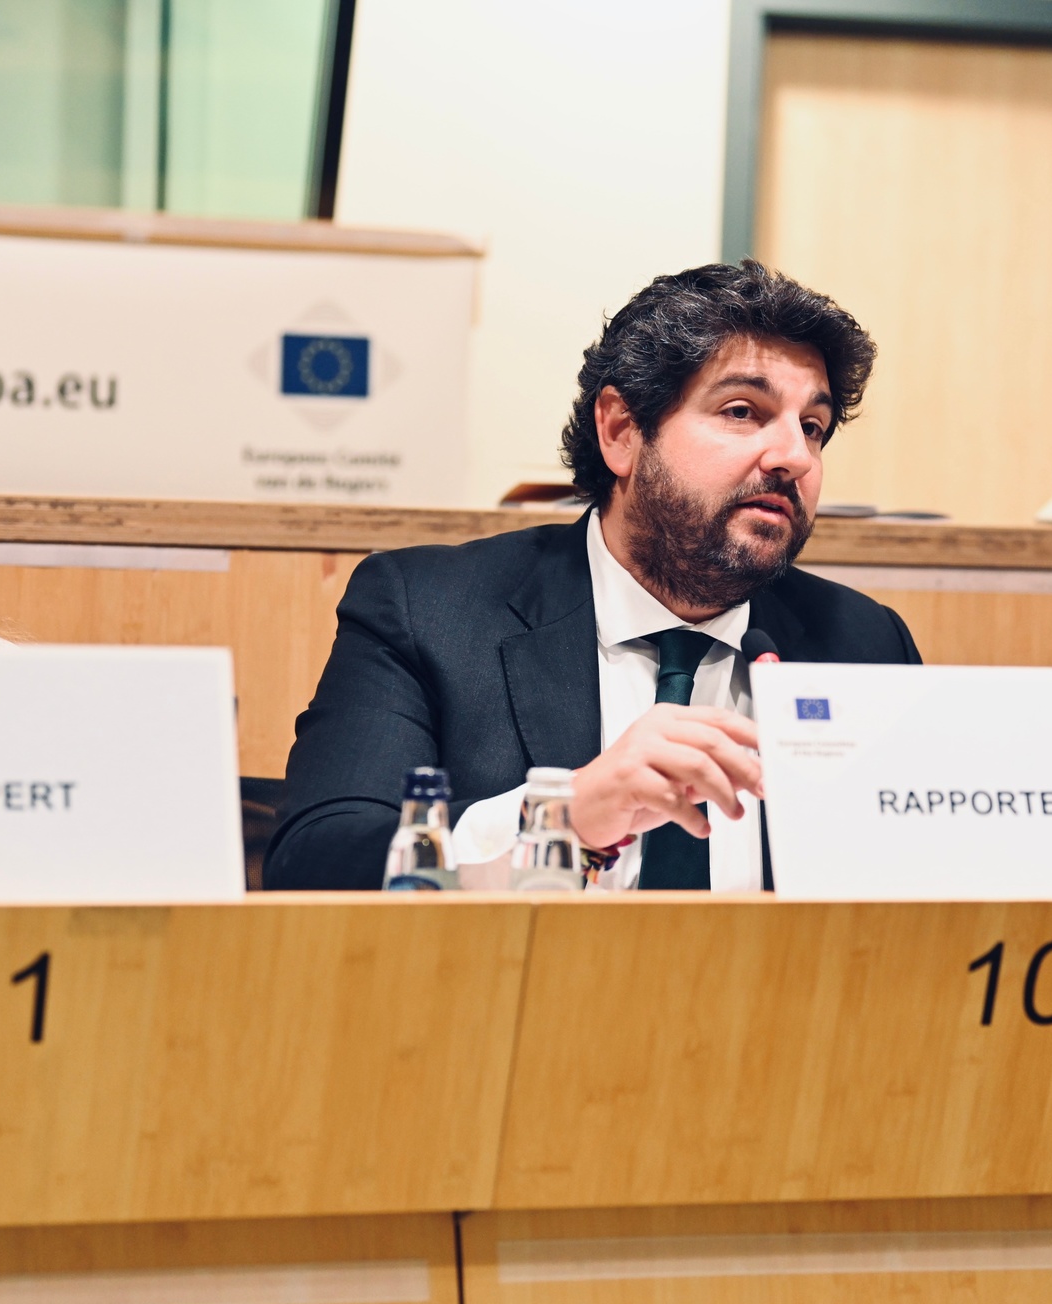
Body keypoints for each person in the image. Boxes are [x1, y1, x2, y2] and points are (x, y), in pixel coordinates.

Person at [266, 261, 921, 891]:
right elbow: (317, 861)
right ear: (621, 430)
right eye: (742, 411)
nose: (794, 456)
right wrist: (564, 815)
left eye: (813, 427)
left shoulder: (863, 644)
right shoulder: (429, 611)